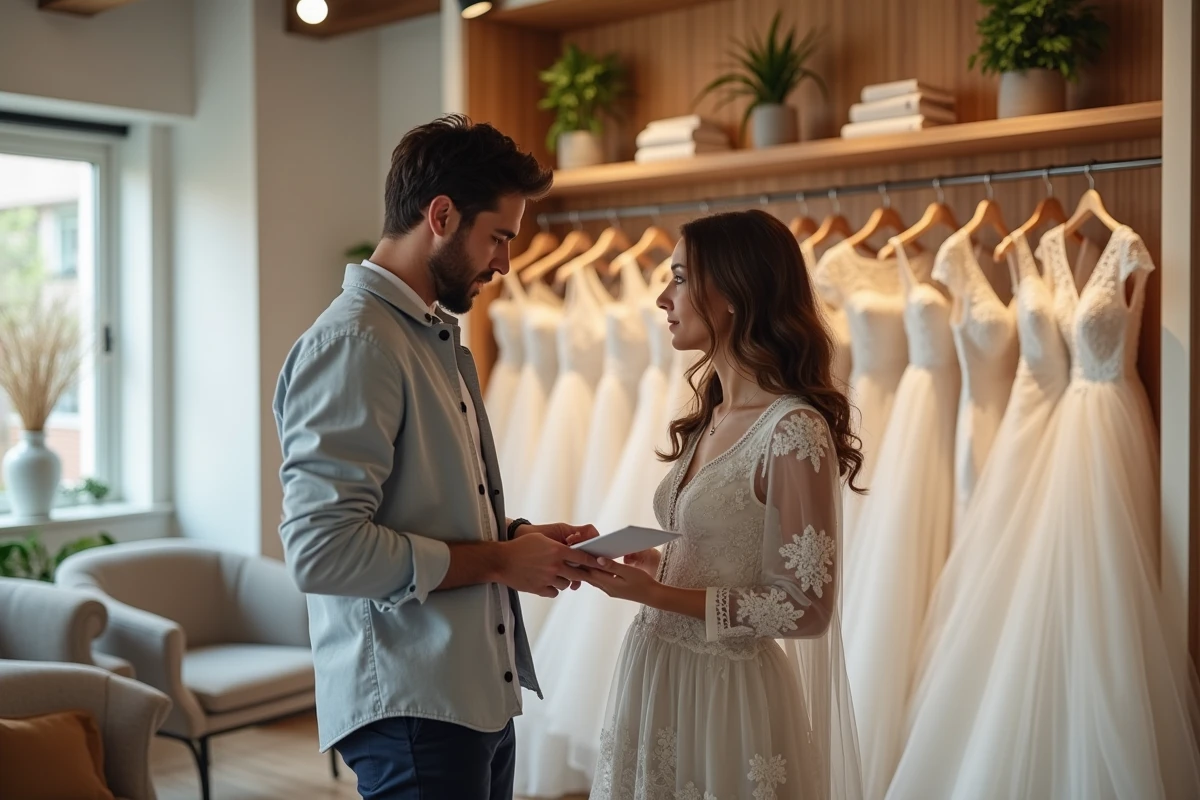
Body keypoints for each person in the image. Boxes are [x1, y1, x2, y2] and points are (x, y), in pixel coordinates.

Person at [273, 114, 601, 800]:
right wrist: (499, 562)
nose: (506, 264)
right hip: (413, 708)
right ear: (442, 215)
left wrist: (514, 539)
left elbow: (421, 506)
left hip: (471, 693)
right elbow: (321, 552)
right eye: (500, 238)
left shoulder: (431, 339)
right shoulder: (356, 345)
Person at [581, 209, 865, 799]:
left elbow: (806, 609)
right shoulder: (710, 416)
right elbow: (724, 558)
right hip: (659, 669)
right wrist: (659, 568)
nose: (663, 297)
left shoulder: (793, 431)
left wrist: (660, 593)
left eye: (680, 277)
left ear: (733, 292)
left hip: (726, 692)